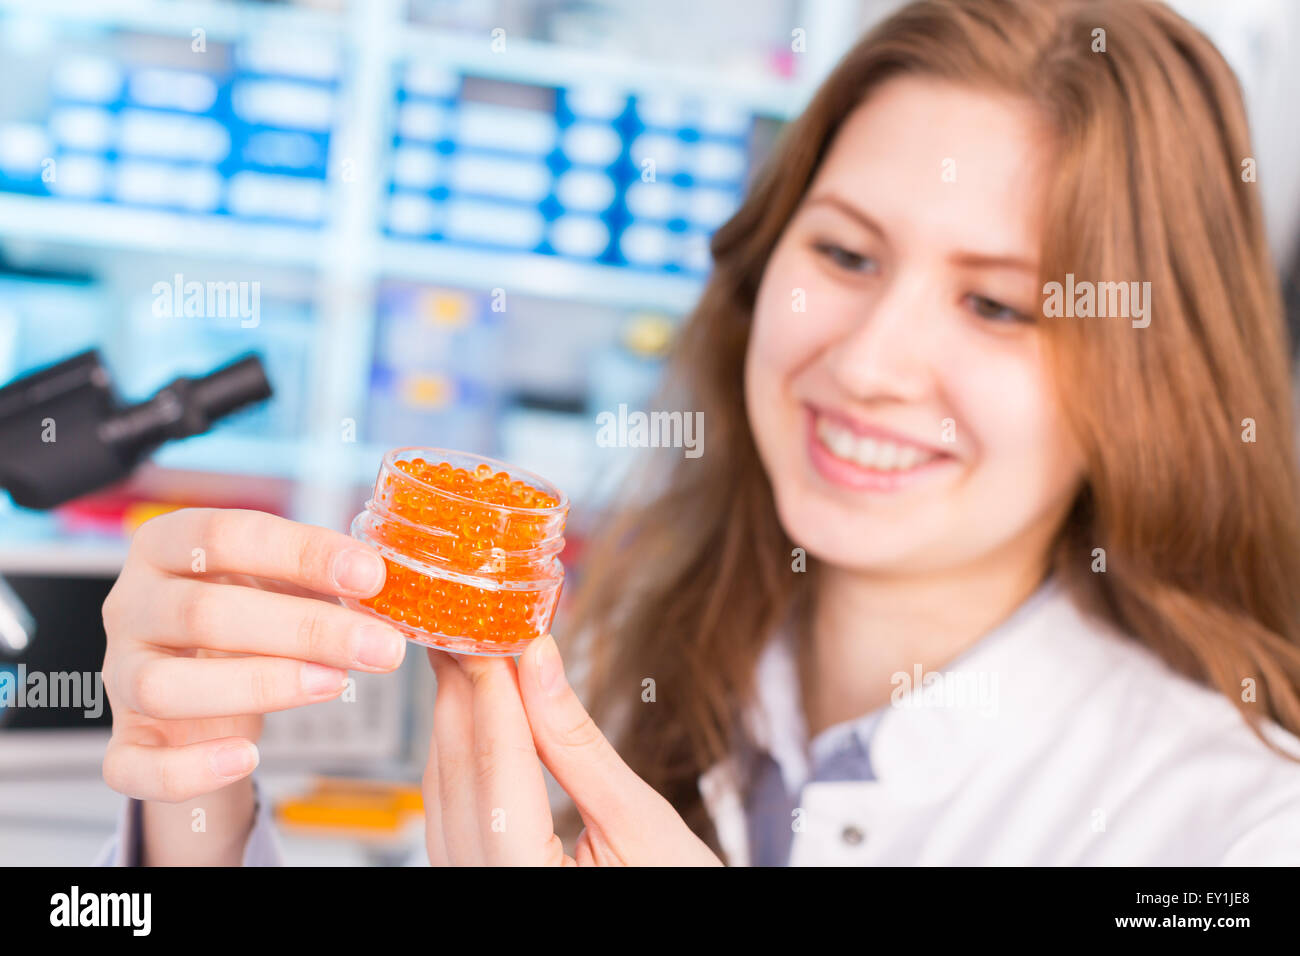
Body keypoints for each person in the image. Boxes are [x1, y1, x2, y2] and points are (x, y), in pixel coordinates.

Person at [98, 0, 1300, 866]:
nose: (867, 361)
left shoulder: (1233, 829)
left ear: (1153, 373)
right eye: (841, 250)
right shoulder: (612, 646)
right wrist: (190, 805)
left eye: (997, 303)